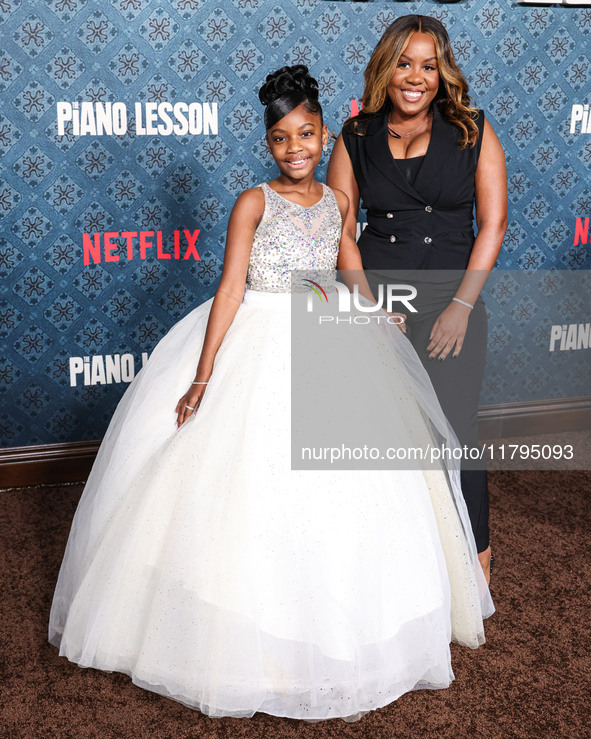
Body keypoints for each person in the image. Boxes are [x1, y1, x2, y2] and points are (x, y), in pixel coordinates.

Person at [49, 65, 493, 721]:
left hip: (322, 330)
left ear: (322, 137)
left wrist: (370, 312)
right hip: (256, 333)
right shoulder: (253, 203)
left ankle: (335, 629)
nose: (295, 149)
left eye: (306, 135)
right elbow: (231, 287)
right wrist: (202, 376)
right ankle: (237, 631)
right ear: (268, 144)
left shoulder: (339, 202)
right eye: (281, 138)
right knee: (244, 483)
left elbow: (348, 261)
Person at [327, 16, 507, 584]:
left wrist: (461, 307)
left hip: (453, 300)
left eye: (429, 66)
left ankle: (476, 551)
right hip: (383, 307)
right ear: (386, 67)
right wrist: (369, 312)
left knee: (456, 430)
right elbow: (339, 231)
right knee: (384, 434)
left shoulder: (473, 130)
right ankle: (394, 562)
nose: (416, 77)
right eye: (405, 63)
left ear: (442, 72)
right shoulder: (354, 137)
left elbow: (494, 224)